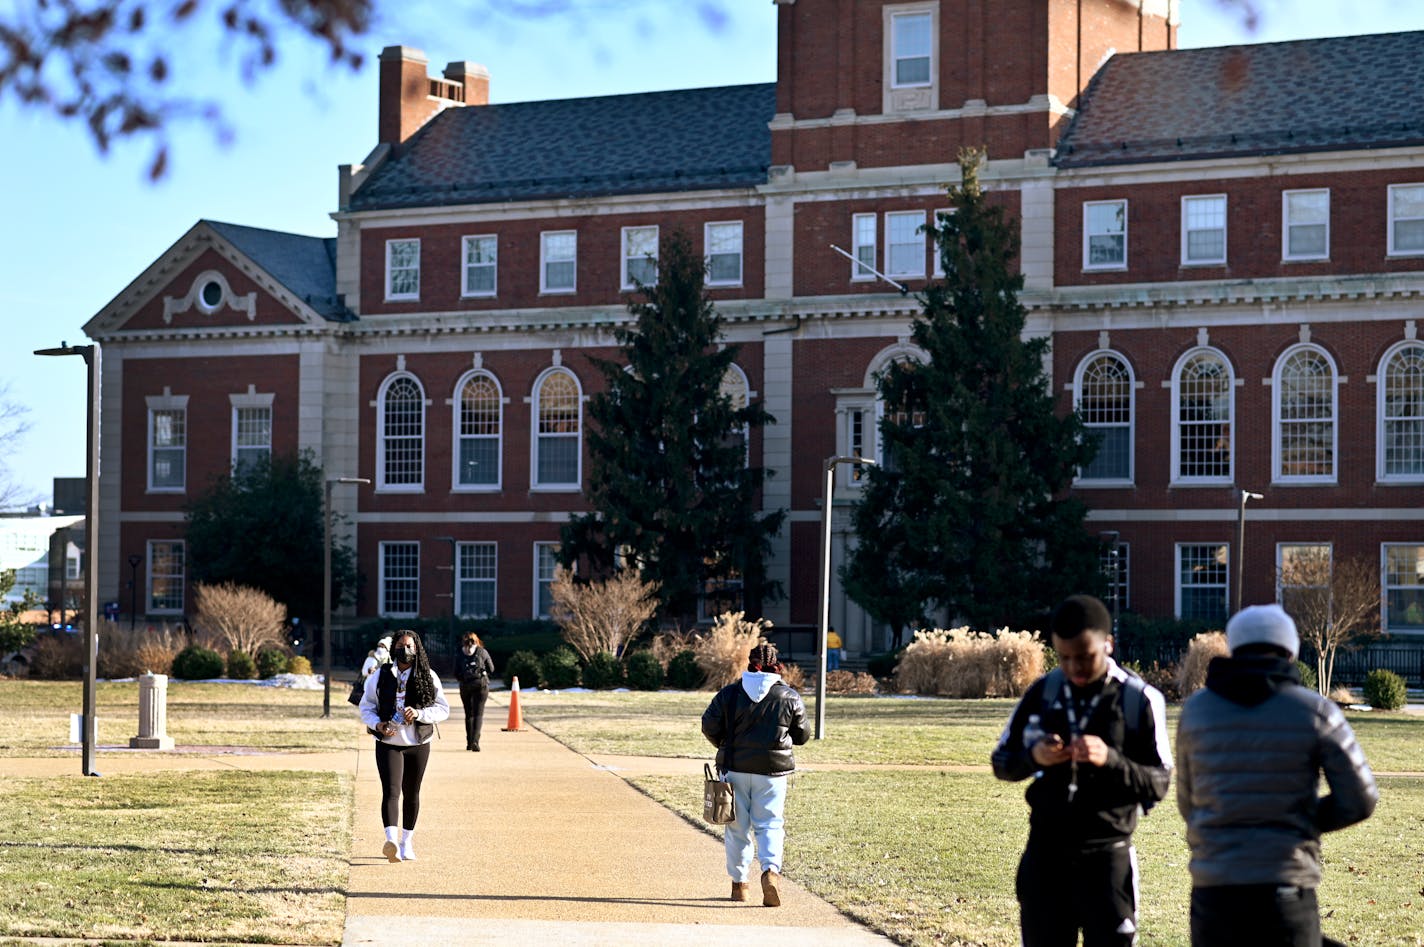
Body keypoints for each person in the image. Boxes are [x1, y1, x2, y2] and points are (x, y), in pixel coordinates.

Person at [1175, 604, 1378, 947]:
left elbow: (1188, 802)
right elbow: (1361, 798)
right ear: (1290, 651)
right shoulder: (1315, 710)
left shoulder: (1195, 711)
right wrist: (1300, 820)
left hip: (1214, 891)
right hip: (1285, 886)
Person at [991, 594, 1172, 946]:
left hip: (1107, 859)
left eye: (1085, 657)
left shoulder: (1138, 699)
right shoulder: (1043, 693)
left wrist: (1111, 759)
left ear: (1108, 644)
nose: (1074, 667)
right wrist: (1034, 757)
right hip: (1046, 858)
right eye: (1064, 657)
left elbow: (1160, 783)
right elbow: (1002, 763)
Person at [701, 642, 810, 907]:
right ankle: (771, 872)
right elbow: (802, 735)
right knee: (770, 824)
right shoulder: (789, 696)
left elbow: (708, 725)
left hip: (734, 769)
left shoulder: (728, 694)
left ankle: (740, 885)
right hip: (773, 773)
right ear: (777, 666)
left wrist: (723, 745)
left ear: (750, 664)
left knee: (737, 828)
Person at [358, 629, 450, 863]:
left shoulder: (428, 676)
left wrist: (419, 713)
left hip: (418, 742)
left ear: (417, 649)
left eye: (409, 646)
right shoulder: (380, 675)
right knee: (391, 791)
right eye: (400, 646)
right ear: (393, 649)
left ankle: (406, 841)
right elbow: (366, 706)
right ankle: (391, 841)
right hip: (388, 742)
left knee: (412, 793)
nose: (405, 650)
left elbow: (443, 709)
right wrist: (377, 725)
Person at [454, 631, 496, 751]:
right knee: (478, 714)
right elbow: (491, 669)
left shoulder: (460, 653)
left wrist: (463, 679)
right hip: (481, 685)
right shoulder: (482, 652)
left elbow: (456, 673)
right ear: (477, 640)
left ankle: (469, 742)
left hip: (465, 686)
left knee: (469, 714)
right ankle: (475, 742)